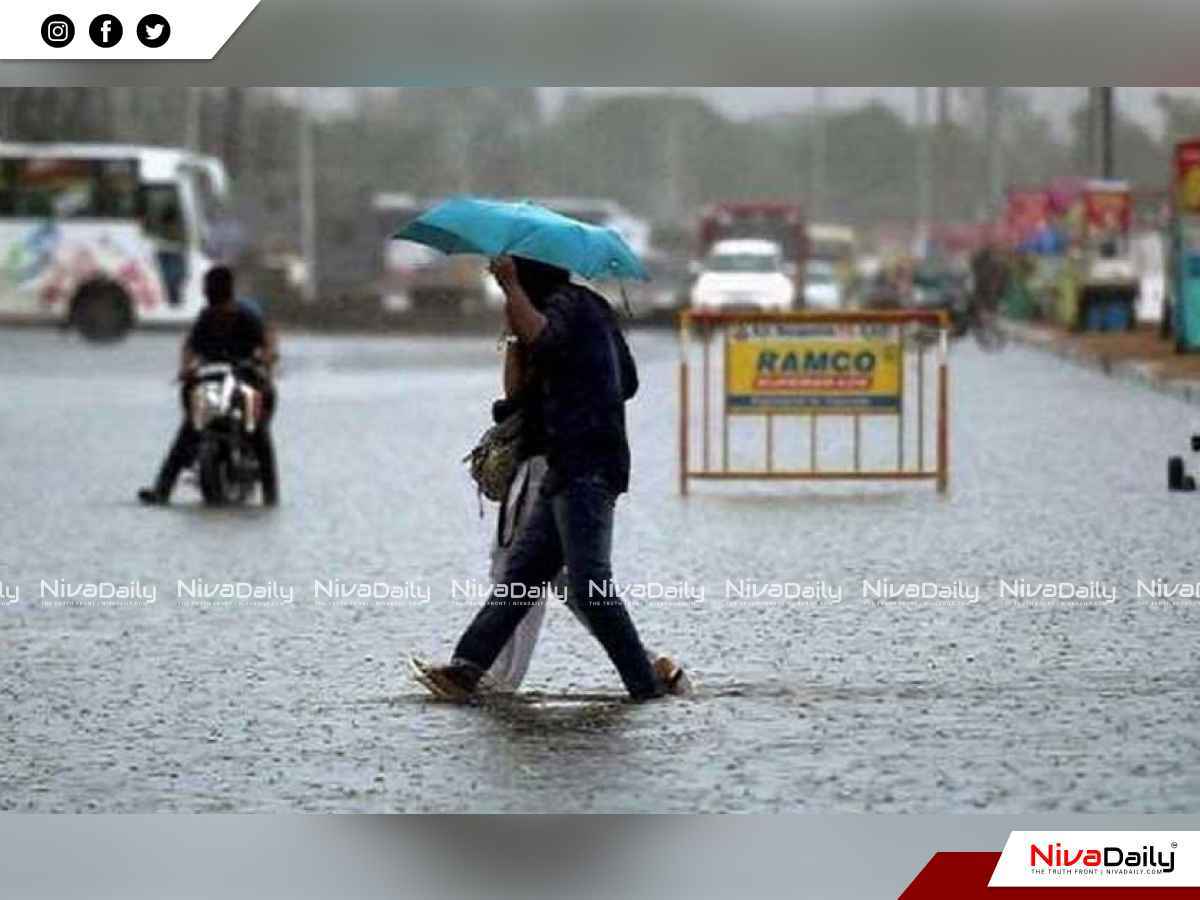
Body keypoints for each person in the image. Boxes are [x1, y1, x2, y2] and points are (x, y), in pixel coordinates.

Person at [416, 255, 679, 702]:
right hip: (566, 467)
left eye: (511, 278)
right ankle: (465, 670)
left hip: (587, 466)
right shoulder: (588, 309)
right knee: (522, 577)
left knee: (589, 586)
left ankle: (645, 684)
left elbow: (551, 342)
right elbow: (621, 381)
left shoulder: (568, 308)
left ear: (527, 275)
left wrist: (512, 289)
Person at [474, 337, 688, 695]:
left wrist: (514, 343)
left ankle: (499, 676)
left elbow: (518, 396)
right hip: (564, 463)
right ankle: (650, 664)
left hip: (546, 464)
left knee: (516, 568)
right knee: (554, 577)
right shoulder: (579, 330)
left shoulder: (546, 325)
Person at [137, 266, 280, 506]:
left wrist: (264, 360)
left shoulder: (246, 317)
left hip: (243, 381)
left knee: (259, 432)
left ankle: (271, 495)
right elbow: (190, 347)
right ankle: (162, 490)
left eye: (209, 287)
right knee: (190, 429)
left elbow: (267, 342)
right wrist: (186, 368)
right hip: (212, 383)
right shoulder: (206, 317)